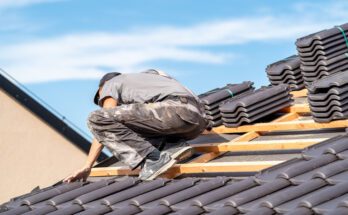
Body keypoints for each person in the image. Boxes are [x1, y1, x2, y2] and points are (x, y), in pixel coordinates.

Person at [63, 69, 207, 181]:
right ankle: (172, 145)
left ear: (102, 87)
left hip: (175, 111)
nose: (103, 100)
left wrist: (87, 166)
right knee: (128, 121)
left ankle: (153, 159)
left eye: (101, 97)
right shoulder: (146, 80)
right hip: (197, 122)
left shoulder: (112, 83)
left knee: (96, 118)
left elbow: (103, 121)